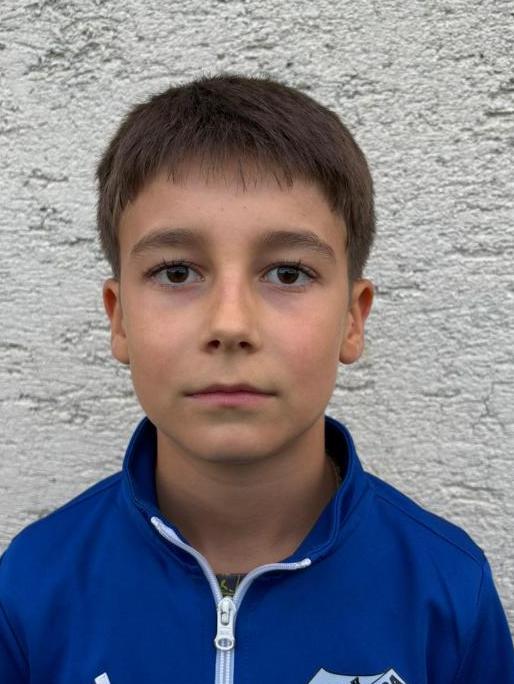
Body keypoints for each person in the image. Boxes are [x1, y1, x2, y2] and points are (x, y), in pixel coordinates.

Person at [0, 73, 512, 684]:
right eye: (176, 272)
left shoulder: (448, 590)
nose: (231, 324)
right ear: (120, 320)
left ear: (352, 319)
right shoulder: (29, 589)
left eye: (288, 274)